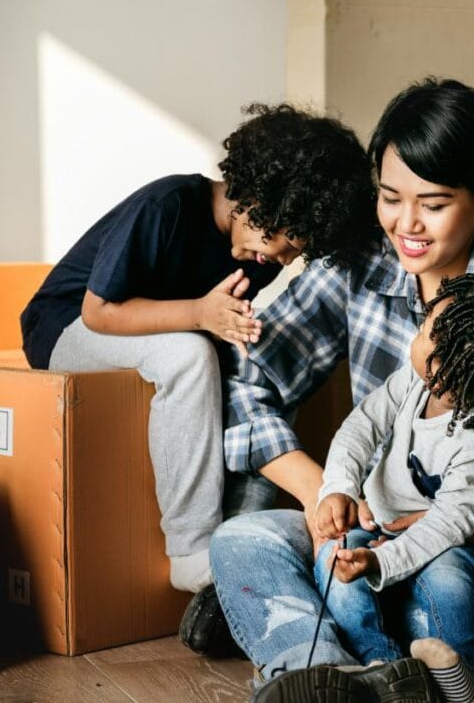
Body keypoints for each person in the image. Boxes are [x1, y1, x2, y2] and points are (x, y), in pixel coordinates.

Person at [205, 78, 474, 699]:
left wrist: (468, 523)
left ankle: (339, 643)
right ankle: (333, 672)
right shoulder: (357, 263)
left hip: (472, 544)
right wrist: (322, 492)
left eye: (434, 204)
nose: (405, 225)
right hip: (362, 520)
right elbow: (247, 379)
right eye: (390, 197)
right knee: (240, 543)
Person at [20, 103, 378, 593]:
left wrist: (233, 331)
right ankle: (190, 549)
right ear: (256, 196)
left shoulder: (259, 254)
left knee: (261, 362)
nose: (281, 258)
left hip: (153, 332)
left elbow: (215, 323)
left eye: (297, 251)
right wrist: (200, 316)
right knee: (188, 356)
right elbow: (98, 311)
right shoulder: (165, 206)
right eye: (283, 239)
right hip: (62, 328)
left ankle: (241, 529)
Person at [305, 272, 474, 703]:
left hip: (447, 539)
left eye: (425, 330)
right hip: (382, 525)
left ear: (445, 367)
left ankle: (464, 673)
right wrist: (339, 487)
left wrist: (380, 561)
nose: (417, 331)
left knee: (444, 578)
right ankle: (382, 665)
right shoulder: (415, 380)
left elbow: (447, 526)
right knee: (332, 561)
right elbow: (362, 426)